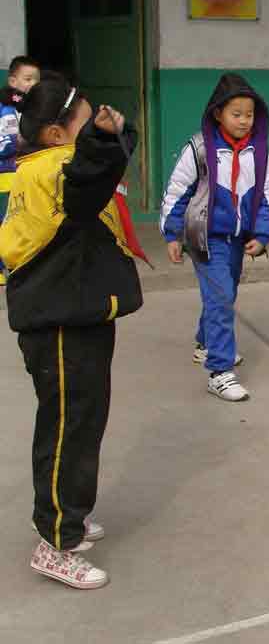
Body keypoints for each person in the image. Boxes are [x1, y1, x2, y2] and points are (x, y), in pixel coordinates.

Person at [0, 73, 145, 589]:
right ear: (57, 134)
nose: (100, 124)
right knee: (68, 431)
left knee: (78, 423)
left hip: (74, 315)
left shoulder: (53, 165)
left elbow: (100, 171)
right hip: (59, 323)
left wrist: (112, 136)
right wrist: (109, 139)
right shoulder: (58, 169)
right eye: (89, 121)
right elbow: (90, 175)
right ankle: (55, 541)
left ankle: (67, 517)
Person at [160, 73, 269, 402]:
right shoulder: (199, 148)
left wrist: (263, 233)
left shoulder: (259, 151)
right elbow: (177, 192)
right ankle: (220, 371)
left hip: (238, 239)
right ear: (218, 113)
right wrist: (173, 234)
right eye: (236, 114)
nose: (244, 121)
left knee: (224, 293)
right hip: (205, 238)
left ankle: (205, 343)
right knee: (222, 298)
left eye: (249, 114)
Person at [0, 56, 41, 285]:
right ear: (12, 81)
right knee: (4, 221)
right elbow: (5, 142)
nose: (32, 84)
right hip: (4, 175)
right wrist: (16, 143)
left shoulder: (34, 108)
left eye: (36, 79)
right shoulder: (5, 106)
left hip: (26, 173)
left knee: (24, 220)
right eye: (27, 79)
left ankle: (20, 265)